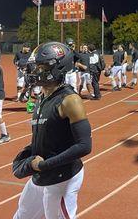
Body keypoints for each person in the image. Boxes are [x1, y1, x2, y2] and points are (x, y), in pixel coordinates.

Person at [13, 42, 92, 219]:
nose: (36, 71)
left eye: (41, 66)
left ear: (58, 67)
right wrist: (31, 151)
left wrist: (43, 164)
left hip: (61, 178)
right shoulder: (43, 96)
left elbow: (84, 145)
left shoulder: (70, 100)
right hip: (41, 174)